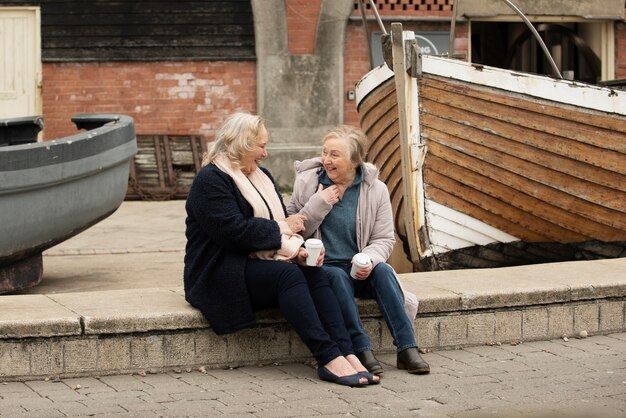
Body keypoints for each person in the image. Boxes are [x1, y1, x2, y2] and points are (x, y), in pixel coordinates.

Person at [184, 113, 379, 387]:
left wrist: (298, 252)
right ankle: (328, 358)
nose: (265, 153)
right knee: (287, 277)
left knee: (316, 273)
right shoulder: (211, 180)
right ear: (239, 144)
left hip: (256, 263)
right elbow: (234, 233)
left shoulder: (262, 176)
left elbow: (278, 228)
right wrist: (283, 229)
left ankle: (348, 353)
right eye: (260, 146)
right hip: (220, 270)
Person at [287, 125, 430, 375]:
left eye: (335, 155)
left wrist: (368, 261)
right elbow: (292, 231)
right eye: (325, 153)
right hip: (325, 269)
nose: (326, 161)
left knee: (384, 271)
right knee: (338, 276)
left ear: (354, 161)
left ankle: (407, 349)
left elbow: (384, 239)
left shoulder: (376, 190)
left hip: (360, 268)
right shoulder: (307, 183)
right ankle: (362, 349)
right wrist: (317, 205)